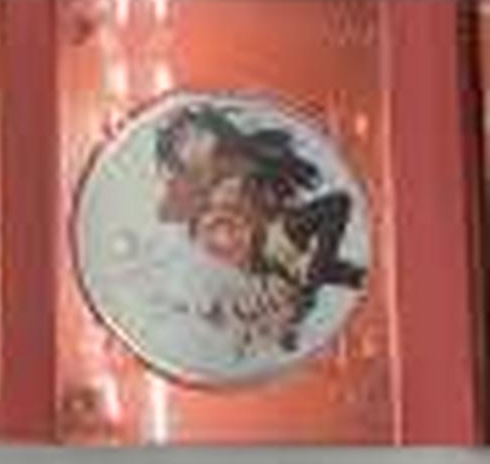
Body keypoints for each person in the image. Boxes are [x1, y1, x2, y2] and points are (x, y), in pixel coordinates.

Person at [154, 102, 365, 351]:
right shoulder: (191, 184)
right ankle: (304, 299)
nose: (195, 144)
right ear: (176, 157)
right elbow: (168, 212)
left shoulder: (237, 160)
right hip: (259, 245)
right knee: (336, 206)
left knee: (350, 274)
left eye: (199, 134)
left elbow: (266, 192)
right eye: (183, 143)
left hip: (270, 238)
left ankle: (295, 311)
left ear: (213, 131)